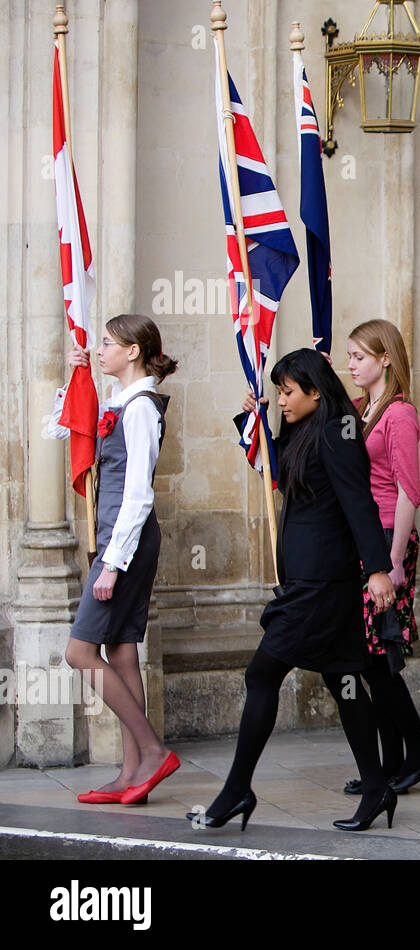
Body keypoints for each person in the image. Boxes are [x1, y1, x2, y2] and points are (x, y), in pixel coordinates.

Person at [190, 349, 398, 832]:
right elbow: (276, 472)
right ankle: (377, 787)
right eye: (279, 391)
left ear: (315, 390)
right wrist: (254, 417)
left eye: (287, 391)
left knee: (261, 675)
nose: (282, 399)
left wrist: (378, 569)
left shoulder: (338, 433)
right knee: (345, 684)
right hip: (311, 580)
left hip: (322, 584)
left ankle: (237, 789)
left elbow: (359, 503)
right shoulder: (305, 430)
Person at [64, 315, 180, 805]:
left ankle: (152, 751)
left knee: (79, 653)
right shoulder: (123, 402)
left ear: (133, 351)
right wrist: (77, 375)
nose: (102, 349)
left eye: (108, 343)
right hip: (119, 538)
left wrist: (111, 563)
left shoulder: (140, 410)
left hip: (125, 542)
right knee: (123, 651)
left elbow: (137, 495)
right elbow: (68, 426)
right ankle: (133, 773)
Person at [340, 319, 420, 795]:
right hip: (368, 539)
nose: (351, 364)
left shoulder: (399, 414)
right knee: (373, 652)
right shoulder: (364, 409)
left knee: (379, 653)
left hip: (386, 538)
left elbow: (408, 490)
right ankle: (394, 762)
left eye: (360, 355)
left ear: (386, 358)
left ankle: (417, 752)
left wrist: (395, 557)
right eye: (349, 356)